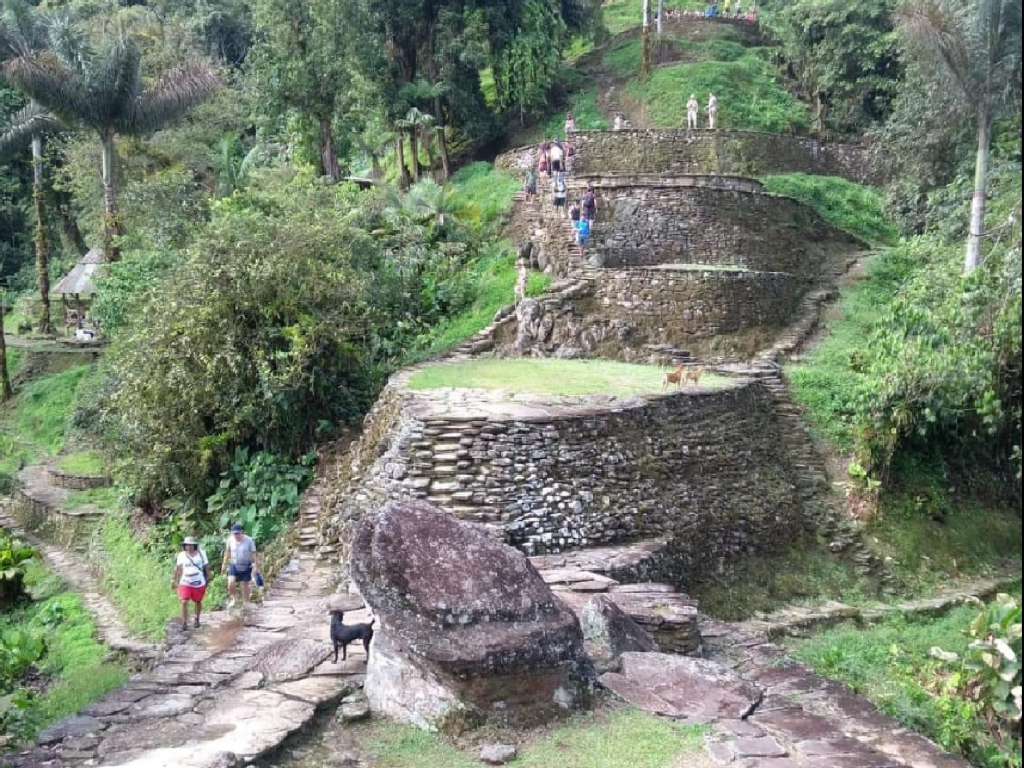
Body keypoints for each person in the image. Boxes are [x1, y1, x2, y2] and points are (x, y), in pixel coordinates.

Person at [173, 536, 209, 630]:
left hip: (198, 581)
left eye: (191, 545)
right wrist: (174, 580)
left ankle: (197, 619)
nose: (189, 547)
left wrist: (208, 578)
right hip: (185, 581)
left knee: (198, 601)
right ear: (184, 546)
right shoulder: (181, 555)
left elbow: (206, 566)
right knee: (184, 601)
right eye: (187, 545)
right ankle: (184, 623)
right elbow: (177, 569)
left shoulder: (201, 554)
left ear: (194, 545)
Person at [221, 523, 259, 610]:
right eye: (234, 533)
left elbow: (254, 553)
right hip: (234, 563)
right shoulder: (230, 540)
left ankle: (246, 602)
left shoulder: (249, 541)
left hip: (246, 564)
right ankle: (234, 599)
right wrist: (224, 564)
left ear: (242, 532)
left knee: (244, 584)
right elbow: (227, 552)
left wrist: (256, 566)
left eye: (238, 533)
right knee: (230, 582)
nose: (236, 535)